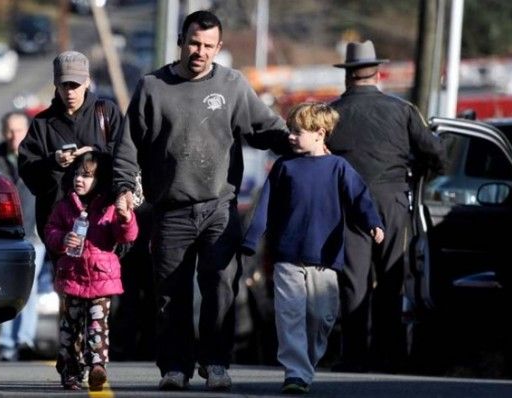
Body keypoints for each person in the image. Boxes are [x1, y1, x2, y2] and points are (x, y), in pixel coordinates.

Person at [112, 10, 291, 391]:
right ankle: (175, 367)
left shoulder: (232, 85)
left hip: (218, 209)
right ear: (181, 40)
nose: (200, 52)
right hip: (170, 211)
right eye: (194, 43)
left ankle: (216, 363)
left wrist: (294, 140)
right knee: (171, 295)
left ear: (219, 48)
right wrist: (124, 187)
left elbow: (264, 127)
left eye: (209, 46)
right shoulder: (151, 87)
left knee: (221, 289)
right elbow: (128, 147)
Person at [242, 102, 384, 394]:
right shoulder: (284, 166)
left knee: (322, 317)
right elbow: (264, 206)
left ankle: (305, 363)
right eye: (290, 130)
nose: (290, 136)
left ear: (320, 133)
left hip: (325, 259)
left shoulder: (338, 168)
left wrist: (373, 222)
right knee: (289, 314)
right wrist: (251, 238)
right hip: (287, 258)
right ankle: (295, 372)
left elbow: (360, 197)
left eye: (297, 131)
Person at [327, 40, 446, 372]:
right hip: (392, 201)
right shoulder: (402, 110)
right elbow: (437, 153)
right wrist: (424, 174)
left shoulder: (332, 113)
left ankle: (354, 356)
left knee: (354, 282)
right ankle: (390, 354)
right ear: (378, 73)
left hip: (349, 203)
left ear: (348, 76)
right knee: (391, 278)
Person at [44, 151, 138, 391]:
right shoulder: (65, 206)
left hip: (100, 278)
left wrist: (126, 218)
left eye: (87, 176)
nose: (79, 180)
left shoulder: (108, 207)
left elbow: (126, 235)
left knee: (98, 324)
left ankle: (97, 367)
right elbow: (50, 231)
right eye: (77, 174)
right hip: (72, 277)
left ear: (100, 179)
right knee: (70, 327)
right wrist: (63, 238)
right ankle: (70, 368)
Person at [18, 50, 122, 248]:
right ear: (56, 85)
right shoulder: (42, 123)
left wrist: (94, 155)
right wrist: (53, 162)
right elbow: (27, 169)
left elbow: (126, 155)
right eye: (64, 85)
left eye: (75, 85)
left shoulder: (107, 114)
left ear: (87, 82)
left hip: (103, 222)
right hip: (60, 225)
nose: (69, 92)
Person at [0, 111, 46, 361]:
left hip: (33, 235)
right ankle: (6, 343)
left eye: (19, 130)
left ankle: (25, 339)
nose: (13, 136)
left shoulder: (39, 159)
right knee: (4, 289)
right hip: (3, 237)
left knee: (28, 289)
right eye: (9, 130)